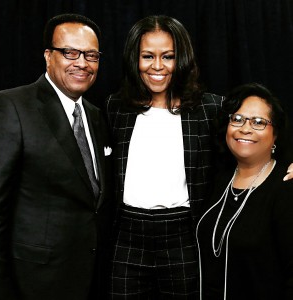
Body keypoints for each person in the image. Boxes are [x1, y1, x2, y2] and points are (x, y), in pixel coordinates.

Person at [105, 15, 293, 299]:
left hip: (183, 234)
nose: (157, 66)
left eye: (168, 56)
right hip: (127, 236)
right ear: (135, 59)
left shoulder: (209, 107)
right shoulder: (116, 107)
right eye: (147, 56)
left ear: (182, 59)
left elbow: (258, 130)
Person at [0, 13, 112, 300]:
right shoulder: (12, 106)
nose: (82, 62)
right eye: (69, 52)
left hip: (91, 279)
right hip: (31, 283)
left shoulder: (96, 116)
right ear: (48, 56)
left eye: (91, 55)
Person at [196, 83, 293, 299]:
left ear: (275, 134)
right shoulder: (218, 180)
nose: (245, 128)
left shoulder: (286, 188)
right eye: (237, 119)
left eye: (259, 122)